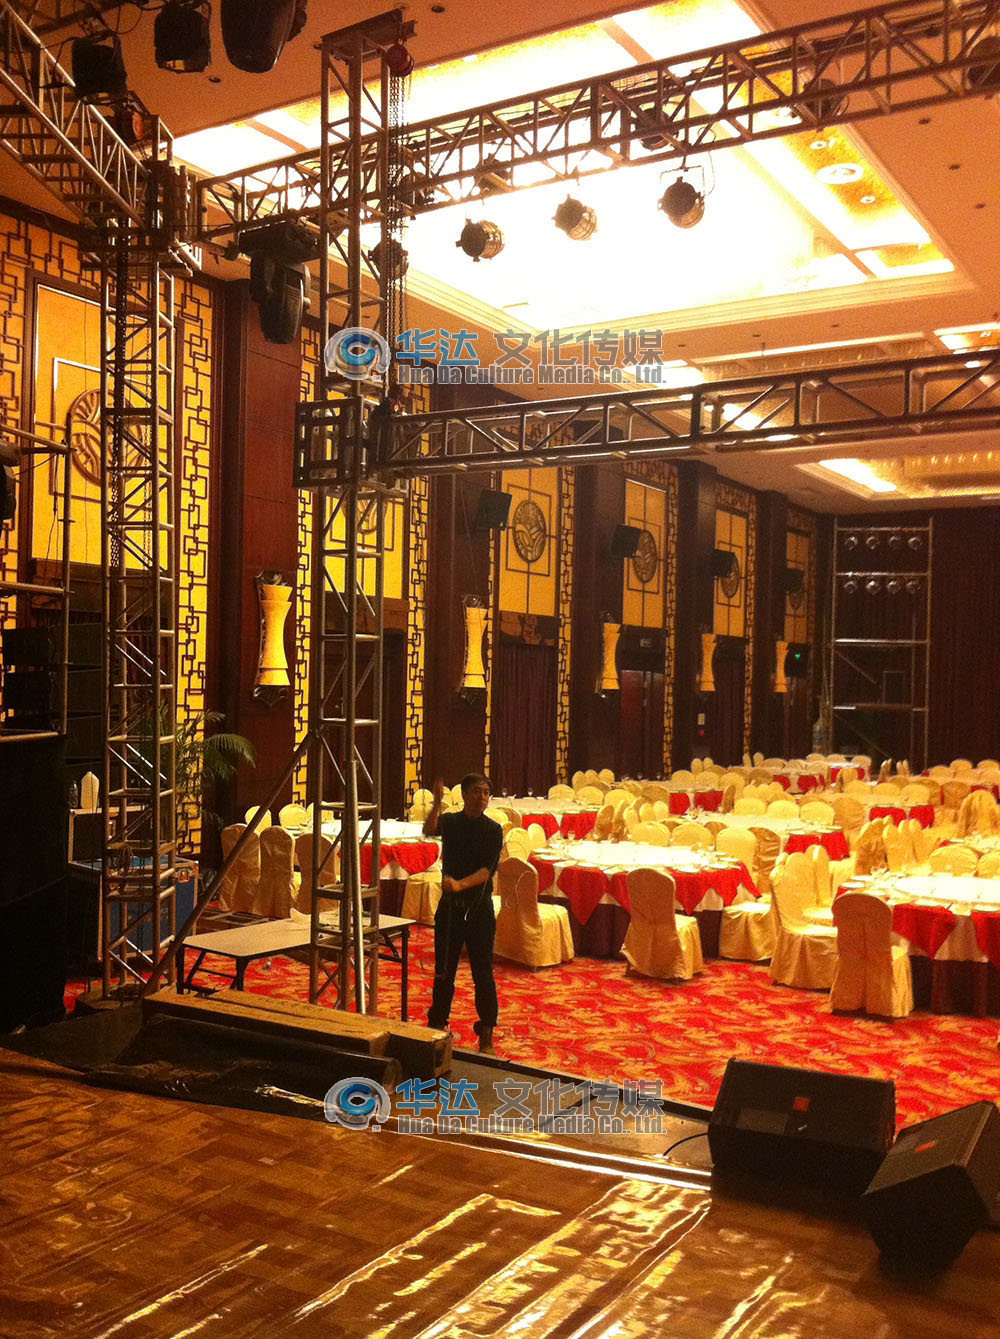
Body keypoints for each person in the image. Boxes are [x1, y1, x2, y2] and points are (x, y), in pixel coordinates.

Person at [422, 773, 503, 1054]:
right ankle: (437, 1026)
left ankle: (487, 1031)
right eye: (476, 791)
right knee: (444, 971)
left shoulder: (493, 830)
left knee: (483, 972)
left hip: (479, 909)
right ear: (465, 795)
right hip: (450, 909)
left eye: (486, 792)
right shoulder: (451, 821)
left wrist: (459, 884)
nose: (482, 797)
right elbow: (428, 830)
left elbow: (485, 872)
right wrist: (436, 802)